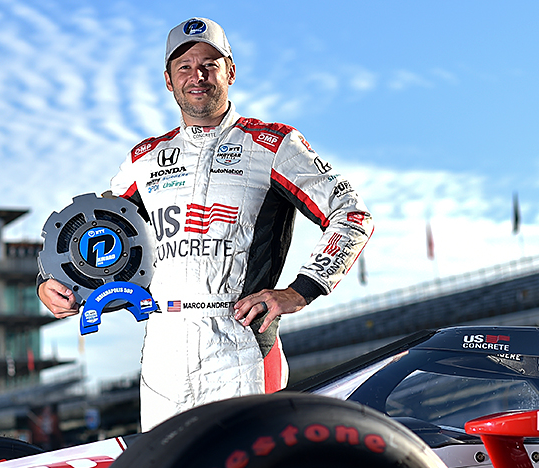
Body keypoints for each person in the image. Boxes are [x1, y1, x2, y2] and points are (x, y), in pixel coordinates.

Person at [38, 17, 373, 430]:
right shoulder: (144, 157)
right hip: (162, 347)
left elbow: (352, 215)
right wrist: (52, 283)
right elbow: (101, 233)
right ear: (168, 79)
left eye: (209, 65)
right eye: (184, 66)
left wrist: (299, 292)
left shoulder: (273, 144)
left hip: (241, 343)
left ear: (230, 71)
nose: (196, 76)